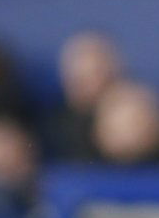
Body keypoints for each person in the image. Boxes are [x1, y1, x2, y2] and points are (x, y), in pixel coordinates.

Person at [48, 30, 125, 162]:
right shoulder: (53, 128)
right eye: (79, 77)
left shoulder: (139, 115)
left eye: (96, 71)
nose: (87, 82)